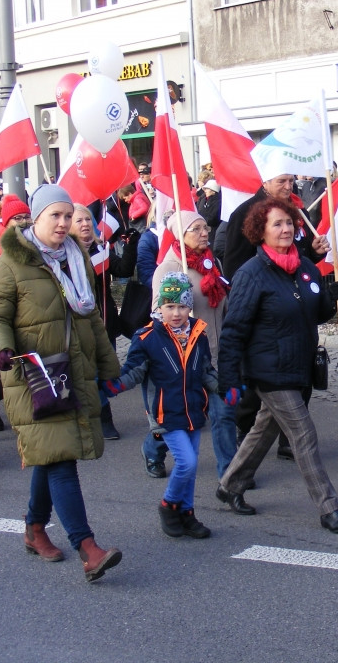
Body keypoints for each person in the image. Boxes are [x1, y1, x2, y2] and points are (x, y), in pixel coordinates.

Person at [0, 185, 122, 582]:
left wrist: (110, 370)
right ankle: (87, 547)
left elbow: (90, 317)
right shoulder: (11, 263)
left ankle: (34, 527)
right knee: (60, 458)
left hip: (72, 371)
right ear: (35, 218)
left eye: (67, 215)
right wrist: (1, 350)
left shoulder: (75, 256)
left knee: (53, 453)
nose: (62, 224)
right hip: (33, 375)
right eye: (54, 216)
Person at [215, 197, 338, 533]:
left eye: (289, 222)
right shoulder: (251, 273)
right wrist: (229, 378)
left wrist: (334, 296)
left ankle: (230, 485)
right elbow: (233, 330)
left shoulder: (304, 266)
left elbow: (315, 312)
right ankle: (329, 507)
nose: (286, 229)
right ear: (260, 231)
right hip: (268, 369)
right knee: (303, 435)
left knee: (266, 427)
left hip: (299, 364)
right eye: (277, 223)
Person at [103, 272, 216, 539]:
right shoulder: (148, 338)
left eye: (181, 306)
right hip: (165, 413)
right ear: (159, 308)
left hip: (193, 411)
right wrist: (115, 385)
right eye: (169, 306)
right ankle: (168, 505)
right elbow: (133, 371)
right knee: (186, 462)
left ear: (190, 307)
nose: (176, 313)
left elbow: (207, 371)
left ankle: (186, 512)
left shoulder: (197, 335)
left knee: (190, 466)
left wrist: (226, 388)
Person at [152, 210, 233, 479]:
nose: (204, 233)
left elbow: (223, 307)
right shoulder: (170, 268)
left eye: (205, 227)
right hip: (185, 356)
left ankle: (230, 472)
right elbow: (157, 315)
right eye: (196, 229)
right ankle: (153, 450)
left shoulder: (213, 264)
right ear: (180, 235)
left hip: (215, 354)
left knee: (222, 413)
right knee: (180, 414)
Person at [70, 204, 138, 441]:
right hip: (77, 322)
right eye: (79, 221)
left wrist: (130, 246)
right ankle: (101, 418)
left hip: (104, 320)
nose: (85, 224)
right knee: (90, 372)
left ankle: (96, 414)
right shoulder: (64, 253)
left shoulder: (102, 249)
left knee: (105, 371)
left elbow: (124, 269)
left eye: (88, 220)